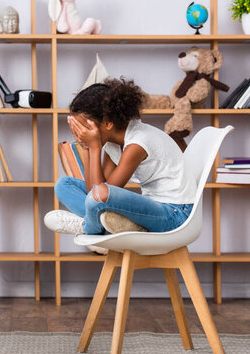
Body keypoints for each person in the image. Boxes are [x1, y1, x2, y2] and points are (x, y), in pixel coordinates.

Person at [44, 78, 196, 249]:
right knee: (64, 184)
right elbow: (94, 193)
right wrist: (86, 148)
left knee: (101, 194)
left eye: (85, 127)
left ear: (108, 123)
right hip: (153, 208)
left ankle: (87, 227)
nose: (81, 133)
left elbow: (100, 195)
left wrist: (94, 148)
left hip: (175, 215)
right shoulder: (113, 142)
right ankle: (101, 224)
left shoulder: (137, 144)